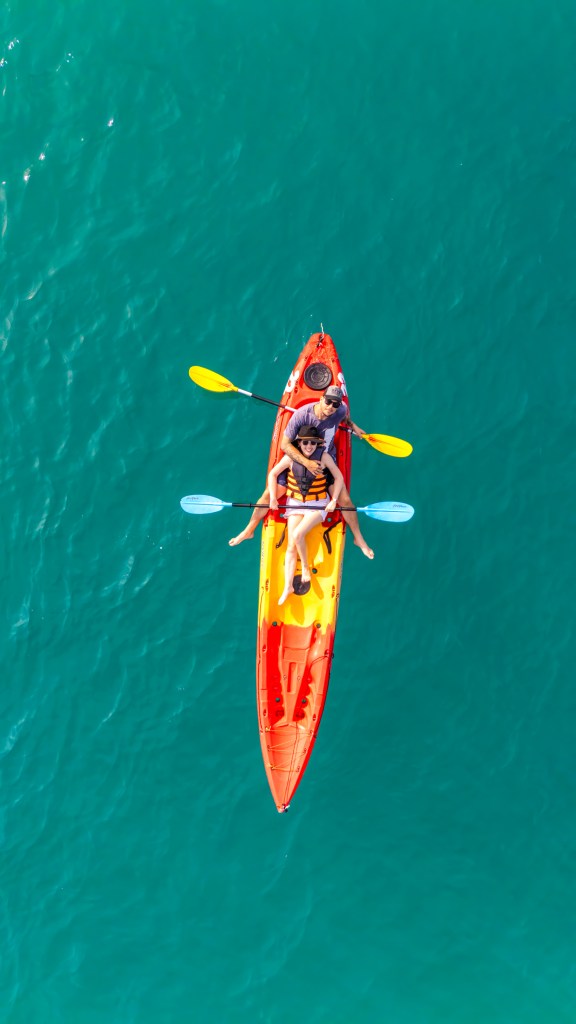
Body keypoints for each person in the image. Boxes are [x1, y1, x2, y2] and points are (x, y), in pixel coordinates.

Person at [229, 384, 374, 558]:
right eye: (328, 402)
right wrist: (307, 462)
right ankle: (249, 530)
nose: (331, 407)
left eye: (335, 404)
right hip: (300, 458)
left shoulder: (339, 411)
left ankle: (358, 538)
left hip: (325, 459)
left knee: (345, 500)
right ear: (321, 399)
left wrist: (353, 426)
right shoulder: (302, 416)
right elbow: (284, 444)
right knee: (269, 493)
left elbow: (345, 415)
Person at [268, 426, 344, 605]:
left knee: (297, 534)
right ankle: (288, 586)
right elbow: (273, 474)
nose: (309, 446)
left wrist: (333, 500)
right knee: (290, 546)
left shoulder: (323, 457)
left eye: (312, 442)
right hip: (295, 503)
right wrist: (272, 497)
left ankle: (305, 569)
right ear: (299, 443)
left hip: (317, 504)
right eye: (305, 442)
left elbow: (338, 478)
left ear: (317, 444)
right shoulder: (290, 457)